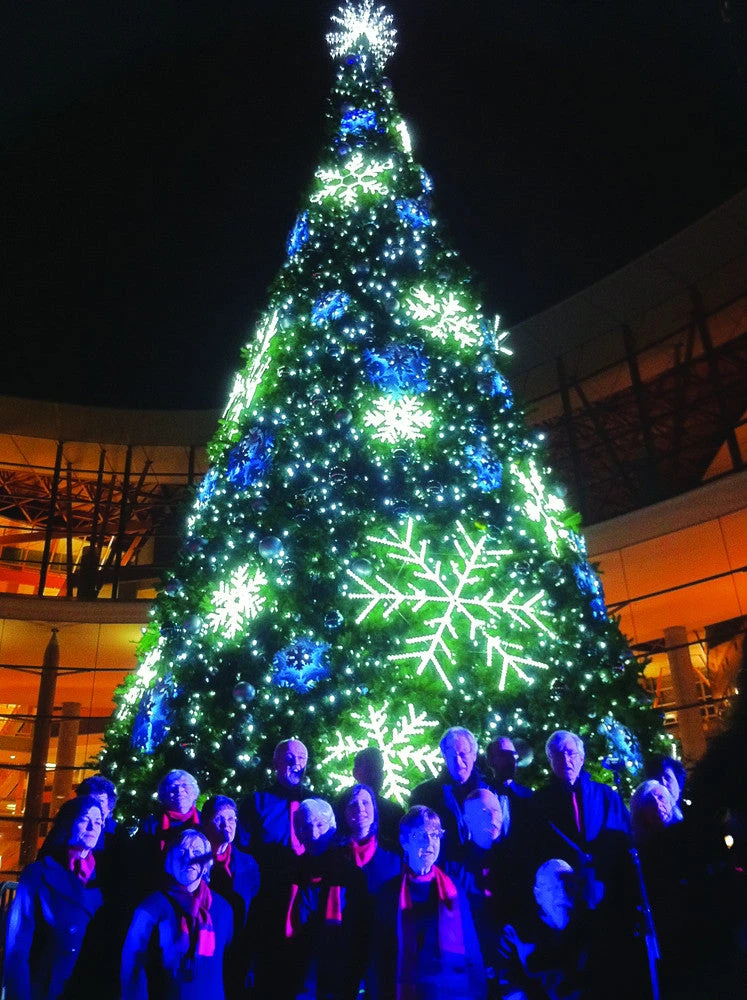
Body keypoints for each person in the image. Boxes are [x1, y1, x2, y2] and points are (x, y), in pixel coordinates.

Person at [371, 805, 486, 1000]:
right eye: (420, 835)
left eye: (434, 835)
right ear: (404, 842)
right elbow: (379, 957)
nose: (429, 842)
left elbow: (472, 948)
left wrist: (480, 991)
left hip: (453, 992)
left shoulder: (454, 889)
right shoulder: (389, 893)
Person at [255, 797, 366, 1000]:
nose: (314, 833)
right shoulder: (287, 875)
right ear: (298, 832)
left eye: (320, 825)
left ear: (332, 827)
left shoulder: (351, 876)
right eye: (306, 827)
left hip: (338, 978)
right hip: (293, 976)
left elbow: (360, 932)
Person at [4, 796, 105, 1000]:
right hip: (47, 988)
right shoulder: (38, 874)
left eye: (98, 821)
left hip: (88, 986)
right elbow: (18, 946)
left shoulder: (106, 876)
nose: (92, 827)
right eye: (84, 819)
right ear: (68, 823)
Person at [121, 828, 233, 1000]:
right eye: (181, 852)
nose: (189, 858)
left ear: (207, 864)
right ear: (170, 860)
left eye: (197, 852)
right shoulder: (151, 908)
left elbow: (229, 965)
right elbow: (132, 970)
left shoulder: (223, 909)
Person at [200, 795, 260, 996]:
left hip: (237, 949)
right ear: (205, 823)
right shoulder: (194, 860)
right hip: (202, 948)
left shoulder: (248, 864)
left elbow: (255, 912)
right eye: (219, 819)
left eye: (231, 818)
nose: (227, 825)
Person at [410, 727, 493, 859]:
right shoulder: (423, 795)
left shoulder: (492, 791)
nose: (458, 761)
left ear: (474, 755)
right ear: (444, 757)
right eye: (452, 755)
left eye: (463, 754)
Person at [237, 739, 310, 864]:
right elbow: (241, 847)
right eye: (289, 757)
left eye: (301, 758)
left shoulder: (316, 801)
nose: (296, 763)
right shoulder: (256, 802)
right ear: (276, 763)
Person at [131, 769, 201, 899]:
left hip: (197, 889)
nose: (179, 790)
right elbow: (140, 861)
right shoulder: (151, 824)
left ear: (194, 793)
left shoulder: (204, 822)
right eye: (173, 787)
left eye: (185, 785)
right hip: (160, 889)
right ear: (164, 796)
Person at [351, 747, 405, 845]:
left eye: (378, 770)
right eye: (369, 770)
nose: (375, 775)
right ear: (355, 773)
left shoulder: (395, 812)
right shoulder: (343, 808)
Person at [486, 736, 533, 837]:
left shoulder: (528, 796)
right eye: (503, 754)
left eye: (513, 754)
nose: (511, 759)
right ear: (490, 761)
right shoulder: (483, 794)